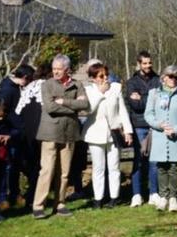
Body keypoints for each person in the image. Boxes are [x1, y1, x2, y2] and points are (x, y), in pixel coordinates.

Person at [31, 54, 89, 219]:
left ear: (67, 69)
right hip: (50, 132)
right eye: (54, 69)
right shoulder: (47, 85)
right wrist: (74, 107)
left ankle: (60, 203)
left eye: (59, 69)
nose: (56, 72)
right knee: (47, 170)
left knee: (64, 172)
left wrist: (63, 101)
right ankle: (38, 206)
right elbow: (50, 108)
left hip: (70, 132)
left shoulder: (77, 84)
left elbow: (85, 105)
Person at [82, 62, 133, 209]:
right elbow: (89, 109)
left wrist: (127, 131)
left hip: (114, 133)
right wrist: (100, 92)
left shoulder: (115, 88)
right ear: (93, 78)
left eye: (106, 75)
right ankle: (98, 198)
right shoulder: (88, 90)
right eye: (100, 76)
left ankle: (114, 197)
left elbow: (122, 110)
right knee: (98, 168)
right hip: (95, 134)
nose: (105, 78)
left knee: (114, 167)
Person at [144, 65, 177, 212]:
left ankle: (173, 197)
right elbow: (148, 114)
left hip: (176, 137)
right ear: (163, 78)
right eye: (171, 76)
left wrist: (175, 129)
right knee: (161, 167)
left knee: (173, 167)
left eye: (176, 77)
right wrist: (158, 125)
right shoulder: (153, 93)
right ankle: (163, 196)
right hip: (159, 136)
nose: (174, 79)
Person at [125, 50, 161, 207]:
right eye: (144, 63)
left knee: (154, 161)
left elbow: (160, 102)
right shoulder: (131, 82)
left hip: (155, 125)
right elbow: (135, 105)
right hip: (139, 125)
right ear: (139, 64)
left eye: (149, 62)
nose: (148, 66)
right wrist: (151, 98)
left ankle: (154, 193)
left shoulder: (158, 80)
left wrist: (143, 97)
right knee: (139, 160)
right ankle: (137, 194)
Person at [0, 64, 34, 208]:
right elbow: (0, 112)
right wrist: (7, 132)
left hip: (18, 133)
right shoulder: (7, 90)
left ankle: (15, 194)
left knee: (16, 166)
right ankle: (4, 198)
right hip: (10, 133)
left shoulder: (17, 88)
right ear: (25, 77)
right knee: (9, 167)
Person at [16, 61, 51, 207]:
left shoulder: (29, 87)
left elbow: (18, 111)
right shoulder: (48, 87)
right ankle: (36, 198)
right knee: (41, 166)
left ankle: (31, 197)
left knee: (32, 167)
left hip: (26, 131)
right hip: (41, 130)